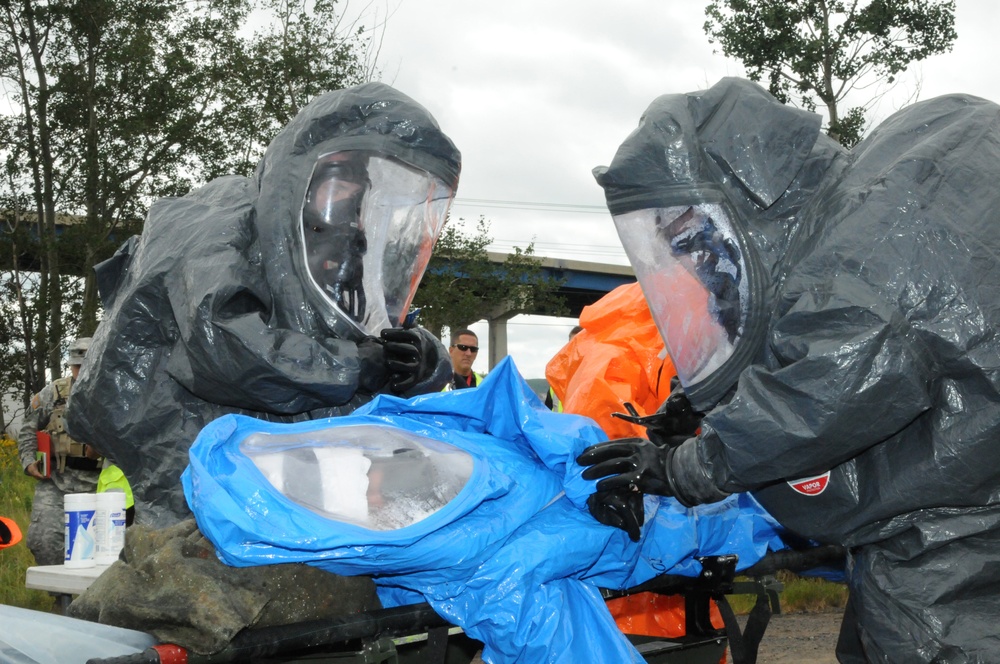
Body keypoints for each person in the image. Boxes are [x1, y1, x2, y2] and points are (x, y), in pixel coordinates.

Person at [578, 77, 1000, 663]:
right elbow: (794, 331)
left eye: (697, 238)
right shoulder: (904, 176)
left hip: (956, 535)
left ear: (752, 193)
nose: (701, 264)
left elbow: (829, 385)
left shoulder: (872, 248)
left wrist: (688, 466)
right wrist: (698, 401)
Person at [65, 83, 461, 528]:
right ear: (302, 170)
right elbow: (222, 345)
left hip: (266, 456)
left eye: (364, 189)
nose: (356, 208)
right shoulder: (212, 221)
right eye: (343, 179)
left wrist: (420, 360)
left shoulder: (333, 242)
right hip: (176, 437)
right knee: (204, 551)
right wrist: (358, 365)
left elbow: (363, 331)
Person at [17, 337, 102, 566]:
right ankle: (59, 598)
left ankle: (91, 598)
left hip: (100, 484)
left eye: (86, 365)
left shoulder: (113, 394)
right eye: (76, 366)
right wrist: (28, 460)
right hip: (56, 481)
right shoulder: (54, 393)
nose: (81, 371)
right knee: (43, 541)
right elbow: (28, 428)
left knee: (102, 549)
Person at [544, 324, 583, 411]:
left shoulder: (595, 378)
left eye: (579, 343)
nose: (575, 348)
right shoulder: (557, 379)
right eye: (572, 343)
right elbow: (546, 414)